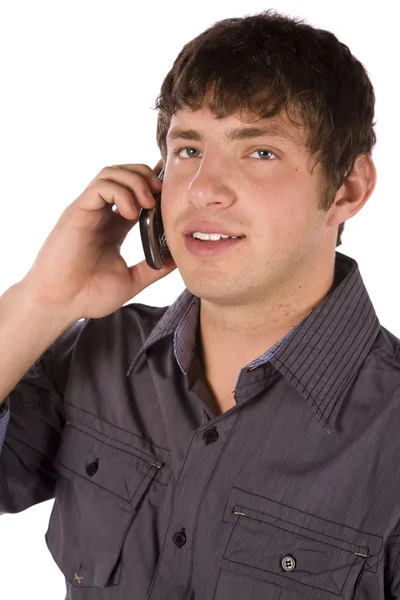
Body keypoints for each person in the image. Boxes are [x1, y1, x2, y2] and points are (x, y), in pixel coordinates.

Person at [0, 8, 397, 600]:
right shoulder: (97, 354)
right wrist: (43, 298)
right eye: (188, 150)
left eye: (259, 151)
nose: (203, 188)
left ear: (347, 189)